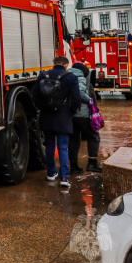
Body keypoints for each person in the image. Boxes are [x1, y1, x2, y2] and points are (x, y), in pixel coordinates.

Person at [32, 56, 81, 188]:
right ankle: (64, 177)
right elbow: (76, 98)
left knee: (49, 146)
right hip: (63, 117)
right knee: (63, 147)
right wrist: (71, 111)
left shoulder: (43, 75)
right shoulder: (71, 77)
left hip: (47, 116)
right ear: (66, 65)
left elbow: (35, 95)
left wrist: (43, 108)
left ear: (54, 64)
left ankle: (51, 173)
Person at [68, 63, 101, 173]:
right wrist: (90, 100)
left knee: (74, 139)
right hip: (83, 114)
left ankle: (73, 166)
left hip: (70, 114)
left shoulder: (65, 76)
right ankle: (92, 163)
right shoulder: (80, 78)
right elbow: (80, 93)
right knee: (93, 136)